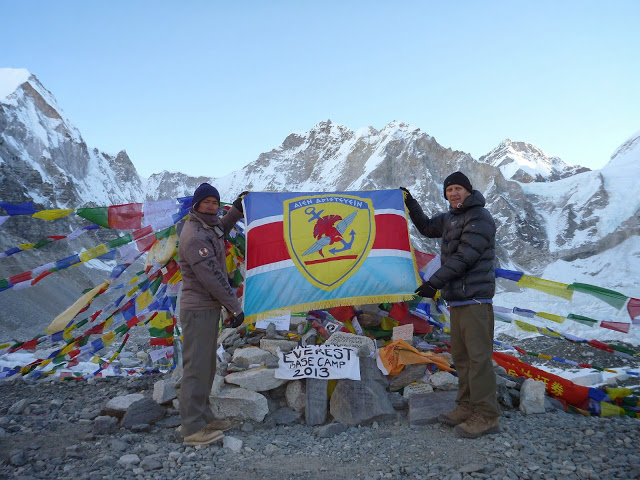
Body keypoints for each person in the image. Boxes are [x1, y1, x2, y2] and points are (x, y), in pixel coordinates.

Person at [401, 172, 500, 439]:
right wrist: (411, 203)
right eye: (449, 190)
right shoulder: (450, 218)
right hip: (457, 300)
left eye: (458, 188)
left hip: (476, 300)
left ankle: (487, 416)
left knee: (478, 359)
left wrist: (433, 283)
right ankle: (467, 406)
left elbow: (464, 257)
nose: (453, 193)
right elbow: (425, 227)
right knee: (463, 358)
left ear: (468, 191)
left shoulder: (480, 217)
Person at [177, 182, 248, 446]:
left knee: (206, 365)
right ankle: (192, 429)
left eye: (215, 202)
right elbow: (213, 279)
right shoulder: (195, 236)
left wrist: (236, 211)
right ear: (196, 205)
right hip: (198, 309)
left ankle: (202, 417)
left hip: (206, 308)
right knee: (196, 367)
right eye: (207, 202)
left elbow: (220, 229)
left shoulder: (206, 226)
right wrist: (235, 306)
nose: (211, 206)